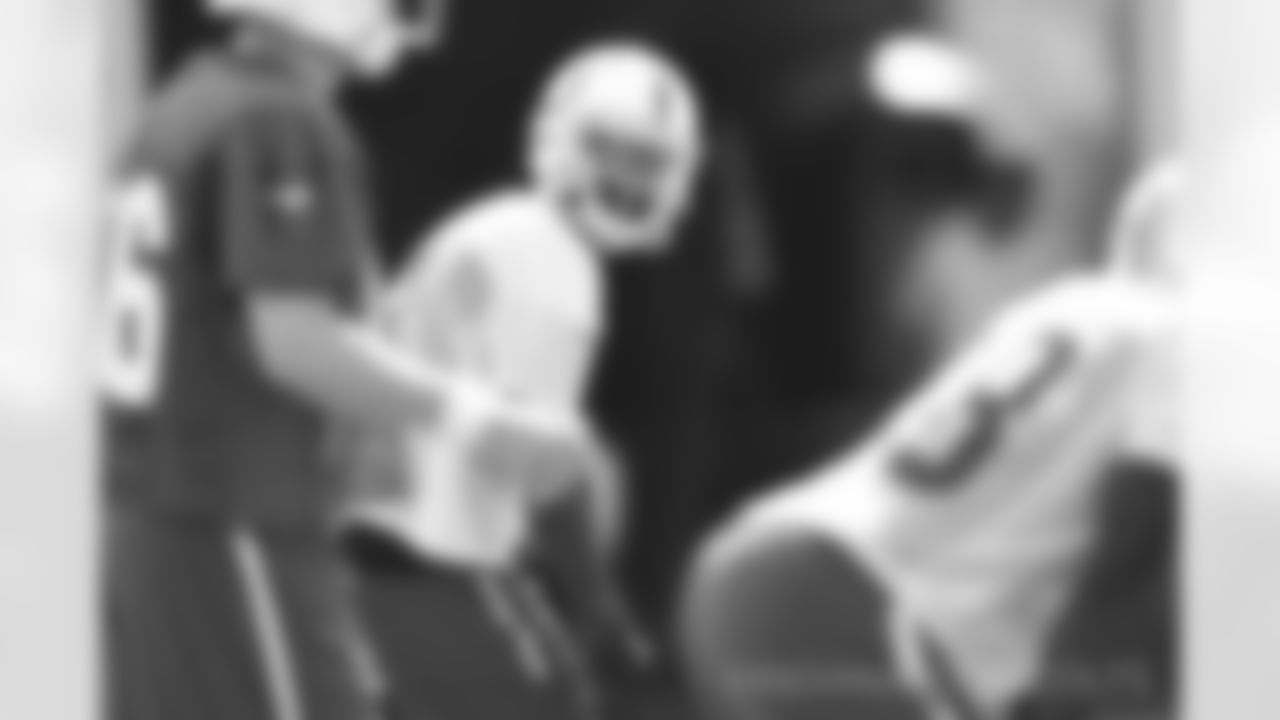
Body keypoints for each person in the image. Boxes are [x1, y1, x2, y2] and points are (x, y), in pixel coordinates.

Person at [100, 2, 594, 719]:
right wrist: (477, 417)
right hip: (234, 522)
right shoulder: (278, 119)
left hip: (159, 521)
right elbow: (294, 341)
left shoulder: (182, 106)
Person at [676, 158, 1182, 720]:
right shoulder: (1189, 342)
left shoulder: (1075, 305)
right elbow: (1135, 543)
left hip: (764, 567)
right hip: (861, 611)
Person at [343, 40, 703, 720]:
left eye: (647, 161)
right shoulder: (548, 263)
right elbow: (542, 468)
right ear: (560, 140)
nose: (626, 179)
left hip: (376, 552)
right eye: (608, 149)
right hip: (424, 558)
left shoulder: (506, 232)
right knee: (555, 700)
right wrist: (599, 606)